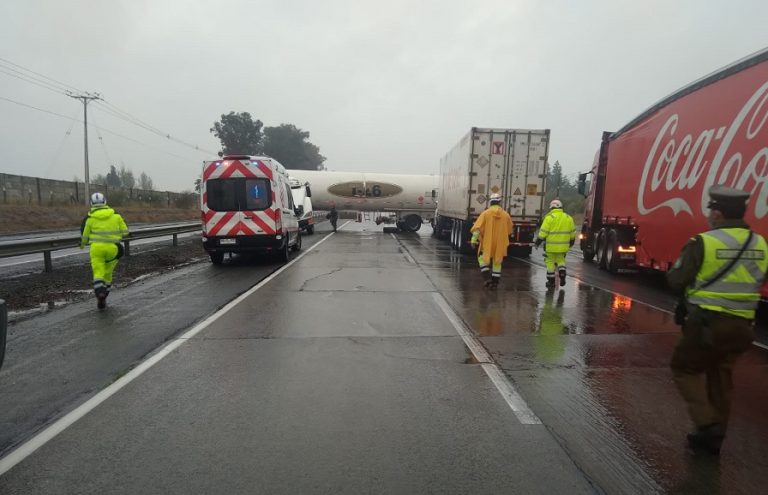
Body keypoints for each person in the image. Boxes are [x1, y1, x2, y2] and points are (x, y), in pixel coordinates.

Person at [667, 185, 768, 455]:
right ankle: (714, 439)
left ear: (720, 214)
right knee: (721, 377)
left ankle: (706, 423)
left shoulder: (704, 242)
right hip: (742, 326)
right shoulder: (759, 243)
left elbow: (677, 280)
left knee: (683, 368)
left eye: (712, 210)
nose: (710, 215)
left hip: (706, 324)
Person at [80, 192, 130, 309]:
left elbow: (84, 237)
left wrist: (82, 245)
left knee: (98, 272)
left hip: (96, 249)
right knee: (108, 274)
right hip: (113, 249)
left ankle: (99, 294)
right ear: (105, 202)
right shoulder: (116, 216)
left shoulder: (90, 219)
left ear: (92, 204)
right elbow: (125, 232)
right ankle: (105, 294)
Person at [470, 193, 513, 289]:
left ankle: (487, 278)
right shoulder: (506, 215)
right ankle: (495, 283)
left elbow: (477, 228)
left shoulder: (485, 213)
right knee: (497, 261)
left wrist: (473, 240)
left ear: (490, 202)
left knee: (482, 258)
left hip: (487, 242)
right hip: (500, 243)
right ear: (499, 202)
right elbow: (510, 230)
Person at [535, 199, 576, 289]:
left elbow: (543, 232)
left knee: (550, 262)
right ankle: (562, 272)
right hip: (563, 247)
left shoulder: (549, 218)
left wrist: (538, 242)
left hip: (551, 247)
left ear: (551, 208)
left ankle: (551, 282)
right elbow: (572, 232)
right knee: (561, 260)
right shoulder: (568, 218)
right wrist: (572, 241)